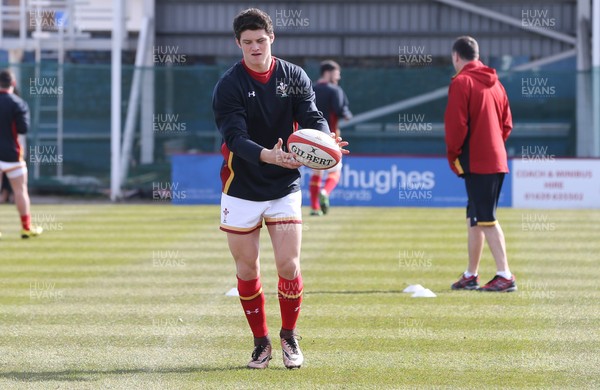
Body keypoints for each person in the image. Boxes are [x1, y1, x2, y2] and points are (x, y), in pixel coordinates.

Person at [212, 8, 348, 369]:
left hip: (284, 185)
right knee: (247, 270)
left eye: (260, 40)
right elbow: (235, 138)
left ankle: (289, 335)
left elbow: (311, 115)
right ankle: (261, 342)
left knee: (289, 265)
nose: (255, 47)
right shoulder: (229, 85)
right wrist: (269, 156)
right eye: (247, 42)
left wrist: (324, 138)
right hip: (240, 185)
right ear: (238, 44)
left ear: (272, 38)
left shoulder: (294, 76)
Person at [444, 36, 516, 292]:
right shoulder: (496, 83)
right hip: (495, 158)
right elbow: (507, 124)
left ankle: (505, 275)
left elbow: (456, 126)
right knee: (474, 218)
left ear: (456, 56)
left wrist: (454, 155)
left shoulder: (461, 82)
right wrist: (493, 145)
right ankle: (471, 274)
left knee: (485, 218)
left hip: (477, 161)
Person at [0, 69, 43, 239]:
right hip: (12, 154)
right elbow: (23, 129)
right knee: (20, 190)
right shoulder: (18, 103)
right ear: (13, 84)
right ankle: (26, 227)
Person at [309, 60, 352, 216]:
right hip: (331, 137)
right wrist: (346, 114)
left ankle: (314, 208)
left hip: (311, 138)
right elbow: (342, 111)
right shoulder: (335, 90)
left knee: (316, 173)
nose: (338, 77)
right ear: (328, 73)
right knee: (335, 171)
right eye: (337, 73)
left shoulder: (310, 89)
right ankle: (326, 192)